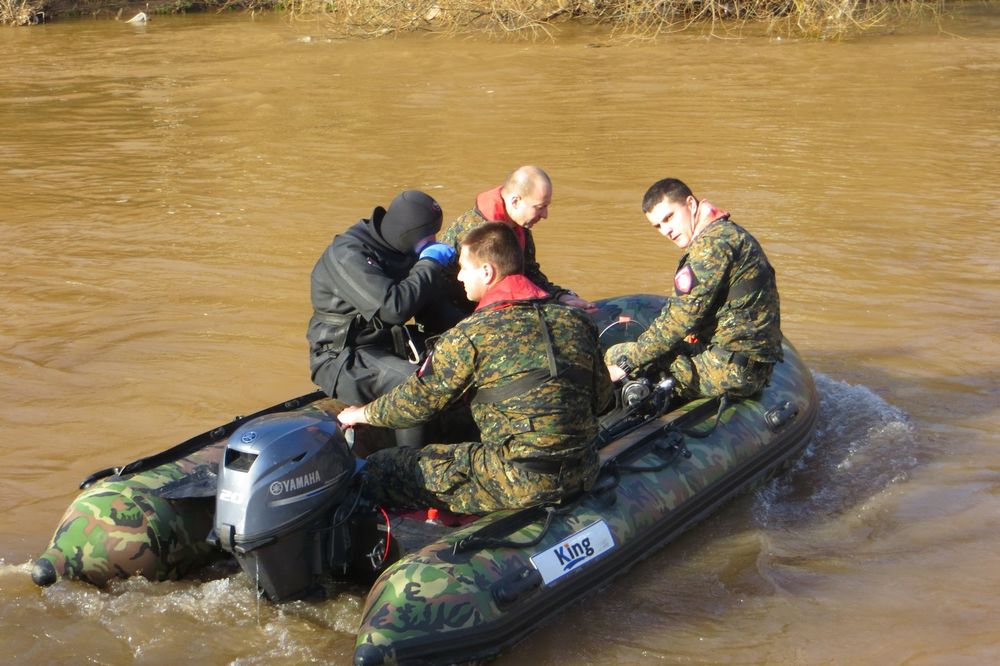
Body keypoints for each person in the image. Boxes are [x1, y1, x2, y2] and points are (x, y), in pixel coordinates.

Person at [338, 222, 614, 515]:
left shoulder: (470, 335)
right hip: (584, 469)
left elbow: (417, 403)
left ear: (487, 272)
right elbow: (603, 400)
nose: (458, 277)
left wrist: (363, 413)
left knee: (383, 467)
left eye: (463, 268)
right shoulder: (576, 321)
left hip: (520, 480)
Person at [605, 178, 783, 401]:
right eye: (658, 226)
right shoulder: (728, 233)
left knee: (617, 354)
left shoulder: (710, 247)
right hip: (751, 363)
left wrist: (625, 364)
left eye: (669, 217)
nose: (667, 230)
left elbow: (678, 320)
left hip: (732, 371)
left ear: (690, 204)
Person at [307, 190, 456, 446]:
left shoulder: (402, 248)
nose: (433, 240)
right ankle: (409, 465)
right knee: (413, 382)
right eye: (429, 235)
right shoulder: (349, 255)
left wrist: (475, 327)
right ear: (408, 233)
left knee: (458, 357)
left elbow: (430, 307)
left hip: (387, 344)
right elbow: (393, 309)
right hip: (342, 356)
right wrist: (428, 265)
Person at [437, 165, 595, 322]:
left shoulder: (519, 226)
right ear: (515, 201)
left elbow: (528, 274)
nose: (545, 215)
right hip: (459, 314)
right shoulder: (476, 235)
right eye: (540, 207)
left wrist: (559, 296)